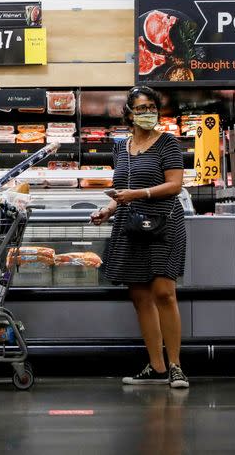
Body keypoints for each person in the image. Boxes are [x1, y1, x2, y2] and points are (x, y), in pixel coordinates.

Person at [90, 86, 189, 388]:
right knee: (140, 297)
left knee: (163, 293)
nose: (148, 113)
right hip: (130, 224)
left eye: (151, 108)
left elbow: (175, 185)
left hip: (163, 223)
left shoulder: (167, 143)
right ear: (129, 114)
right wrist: (108, 209)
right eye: (142, 108)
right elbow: (121, 189)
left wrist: (140, 194)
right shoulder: (120, 147)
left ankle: (175, 366)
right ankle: (156, 366)